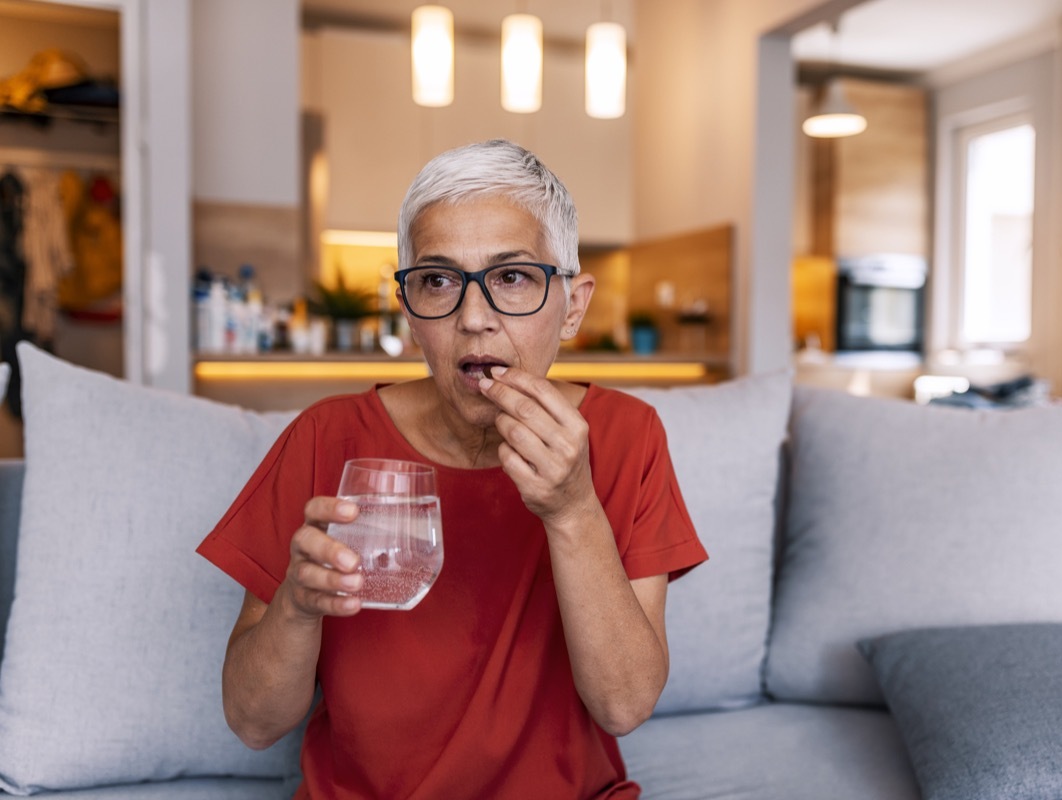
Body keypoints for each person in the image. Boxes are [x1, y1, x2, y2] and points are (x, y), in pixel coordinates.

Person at [197, 139, 708, 799]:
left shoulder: (626, 436)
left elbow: (624, 705)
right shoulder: (326, 439)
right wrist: (296, 607)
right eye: (438, 281)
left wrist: (574, 510)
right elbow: (252, 722)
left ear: (573, 306)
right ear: (410, 312)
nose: (474, 319)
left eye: (512, 278)